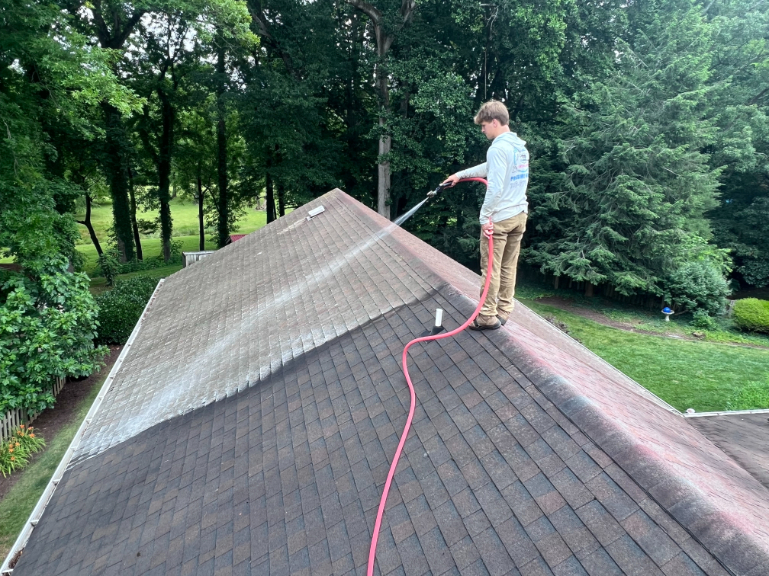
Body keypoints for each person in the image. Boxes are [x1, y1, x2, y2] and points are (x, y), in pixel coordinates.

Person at [442, 100, 529, 330]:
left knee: (490, 269)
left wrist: (484, 218)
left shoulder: (498, 148)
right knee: (508, 267)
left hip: (500, 218)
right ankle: (503, 310)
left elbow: (495, 187)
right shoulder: (519, 147)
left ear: (494, 122)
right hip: (519, 216)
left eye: (483, 125)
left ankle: (487, 316)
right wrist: (460, 175)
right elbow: (490, 167)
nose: (482, 130)